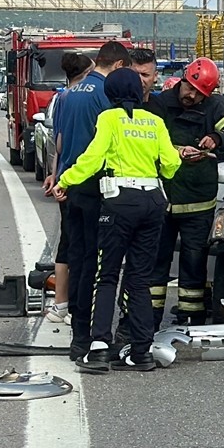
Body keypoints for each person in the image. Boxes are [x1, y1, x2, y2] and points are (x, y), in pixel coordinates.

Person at [52, 68, 180, 372]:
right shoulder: (155, 121)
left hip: (120, 201)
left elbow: (93, 158)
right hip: (153, 200)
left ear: (110, 93)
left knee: (106, 275)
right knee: (139, 279)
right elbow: (171, 162)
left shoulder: (109, 118)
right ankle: (141, 351)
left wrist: (65, 180)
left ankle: (98, 347)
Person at [143, 57, 224, 327]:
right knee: (155, 262)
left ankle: (192, 318)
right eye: (190, 88)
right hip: (163, 199)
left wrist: (217, 139)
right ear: (184, 79)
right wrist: (177, 151)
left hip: (198, 202)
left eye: (199, 94)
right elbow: (148, 141)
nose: (192, 96)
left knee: (194, 263)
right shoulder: (160, 104)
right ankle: (148, 320)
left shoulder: (218, 107)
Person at [53, 40, 131, 361]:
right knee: (96, 266)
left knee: (77, 258)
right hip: (96, 186)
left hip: (70, 186)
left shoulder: (69, 93)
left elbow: (59, 143)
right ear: (119, 66)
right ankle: (92, 338)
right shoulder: (105, 95)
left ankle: (78, 336)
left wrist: (60, 177)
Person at [41, 51, 94, 324]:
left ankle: (60, 303)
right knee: (82, 245)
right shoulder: (85, 98)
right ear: (86, 74)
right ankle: (76, 306)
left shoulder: (62, 98)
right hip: (82, 178)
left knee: (67, 241)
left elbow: (58, 143)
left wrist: (54, 175)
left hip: (64, 177)